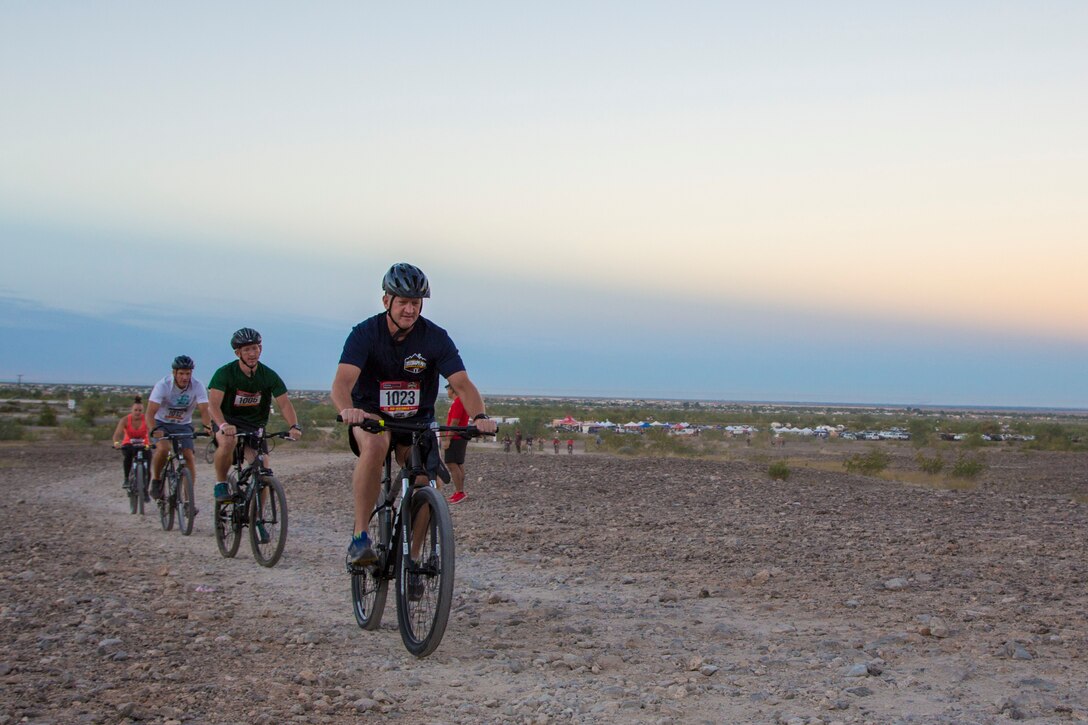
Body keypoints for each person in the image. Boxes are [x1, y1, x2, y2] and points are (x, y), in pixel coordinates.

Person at [332, 263, 497, 565]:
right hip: (371, 416)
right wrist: (347, 410)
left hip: (415, 422)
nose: (409, 310)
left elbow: (461, 383)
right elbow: (342, 383)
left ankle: (413, 557)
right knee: (376, 445)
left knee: (426, 479)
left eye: (415, 303)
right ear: (386, 301)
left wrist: (479, 416)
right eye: (403, 302)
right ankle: (360, 537)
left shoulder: (434, 338)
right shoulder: (365, 334)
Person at [207, 328, 302, 543]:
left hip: (254, 425)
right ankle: (221, 482)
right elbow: (213, 404)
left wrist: (294, 425)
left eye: (256, 348)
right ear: (238, 353)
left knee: (264, 467)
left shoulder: (267, 375)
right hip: (227, 421)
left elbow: (284, 403)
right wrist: (223, 424)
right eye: (248, 349)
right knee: (227, 441)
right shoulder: (225, 373)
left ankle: (257, 517)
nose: (253, 353)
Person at [145, 355, 212, 502]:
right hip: (161, 422)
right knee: (163, 449)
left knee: (188, 456)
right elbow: (149, 413)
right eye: (181, 373)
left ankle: (189, 500)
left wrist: (208, 427)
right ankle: (156, 480)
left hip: (183, 424)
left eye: (188, 373)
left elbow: (204, 409)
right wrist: (153, 430)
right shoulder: (163, 385)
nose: (185, 377)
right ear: (174, 373)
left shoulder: (197, 385)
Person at [112, 397, 150, 497]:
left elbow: (153, 431)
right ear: (131, 410)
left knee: (148, 463)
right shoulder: (125, 420)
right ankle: (126, 479)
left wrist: (156, 441)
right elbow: (117, 434)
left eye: (140, 410)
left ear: (143, 411)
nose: (137, 412)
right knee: (128, 455)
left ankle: (146, 487)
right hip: (129, 443)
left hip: (144, 443)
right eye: (135, 410)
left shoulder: (146, 419)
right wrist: (116, 443)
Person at [441, 382, 469, 504]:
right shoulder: (461, 402)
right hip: (460, 437)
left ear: (453, 390)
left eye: (448, 389)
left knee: (452, 464)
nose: (447, 391)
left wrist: (448, 439)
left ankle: (460, 491)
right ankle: (459, 491)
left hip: (456, 438)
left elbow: (454, 422)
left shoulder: (458, 403)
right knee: (458, 463)